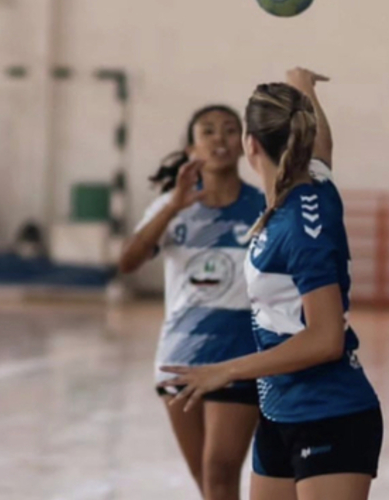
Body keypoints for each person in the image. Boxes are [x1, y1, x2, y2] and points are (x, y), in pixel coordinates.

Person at [161, 69, 383, 500]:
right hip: (279, 410)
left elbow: (325, 339)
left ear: (250, 146)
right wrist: (301, 86)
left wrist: (226, 370)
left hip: (330, 413)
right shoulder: (314, 188)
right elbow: (324, 146)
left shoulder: (298, 229)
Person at [119, 105, 265, 500]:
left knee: (220, 469)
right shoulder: (173, 208)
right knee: (207, 481)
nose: (220, 138)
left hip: (238, 354)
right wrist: (170, 207)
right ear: (190, 148)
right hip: (179, 356)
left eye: (230, 130)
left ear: (245, 145)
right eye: (208, 131)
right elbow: (127, 262)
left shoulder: (263, 207)